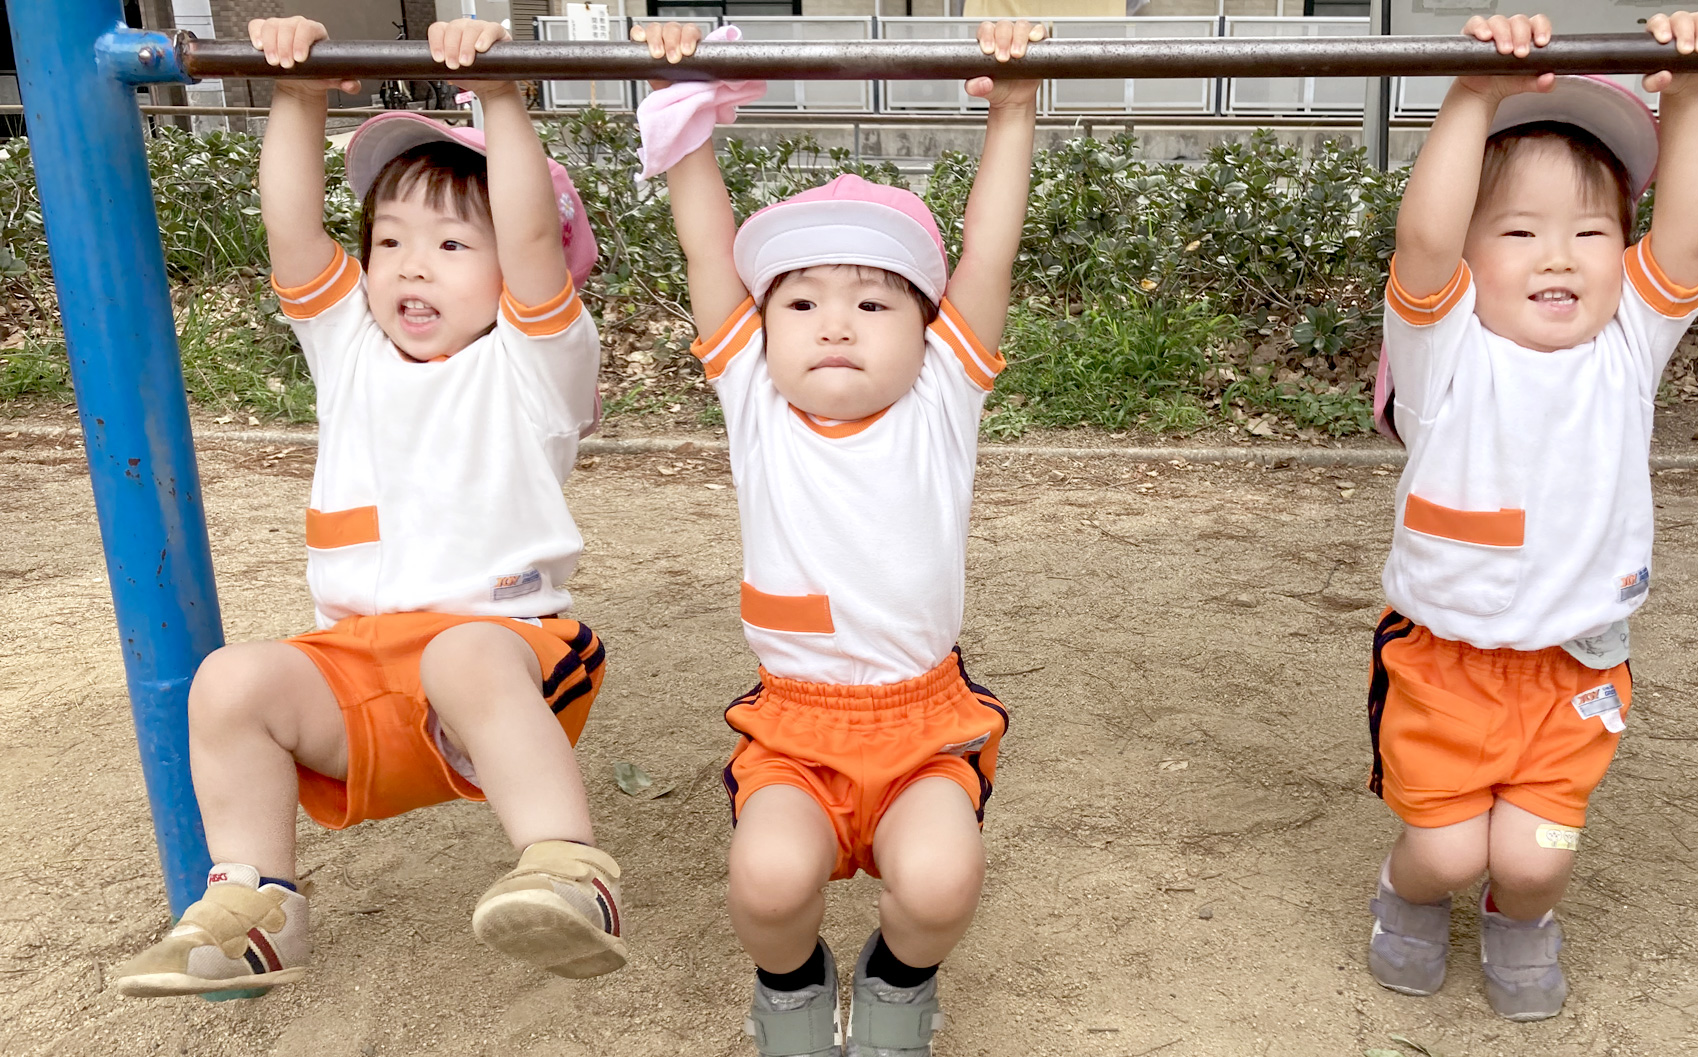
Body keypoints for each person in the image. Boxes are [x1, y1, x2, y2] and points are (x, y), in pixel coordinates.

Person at [113, 17, 620, 997]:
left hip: (508, 657)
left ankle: (568, 869)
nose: (409, 265)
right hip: (363, 679)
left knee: (461, 652)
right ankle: (257, 903)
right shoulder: (350, 352)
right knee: (230, 683)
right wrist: (298, 90)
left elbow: (525, 238)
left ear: (520, 268)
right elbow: (293, 232)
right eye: (388, 240)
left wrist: (500, 90)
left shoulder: (534, 365)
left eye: (447, 243)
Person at [632, 18, 1042, 1056]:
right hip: (795, 725)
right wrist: (677, 100)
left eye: (873, 300)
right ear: (759, 333)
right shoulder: (754, 402)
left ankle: (900, 981)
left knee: (942, 879)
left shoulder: (942, 399)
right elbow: (701, 245)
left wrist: (1014, 107)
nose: (835, 323)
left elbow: (988, 248)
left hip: (921, 717)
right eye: (801, 300)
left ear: (929, 329)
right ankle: (792, 987)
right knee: (767, 881)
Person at [1361, 10, 1698, 1021]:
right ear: (1473, 260)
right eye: (1518, 231)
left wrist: (1691, 84)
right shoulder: (1449, 353)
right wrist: (1472, 95)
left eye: (1589, 231)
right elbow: (1421, 236)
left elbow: (1689, 226)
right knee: (1441, 848)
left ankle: (1520, 913)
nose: (1557, 256)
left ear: (1621, 252)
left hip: (1575, 667)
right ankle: (1409, 885)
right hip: (1445, 663)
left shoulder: (1629, 345)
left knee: (1530, 862)